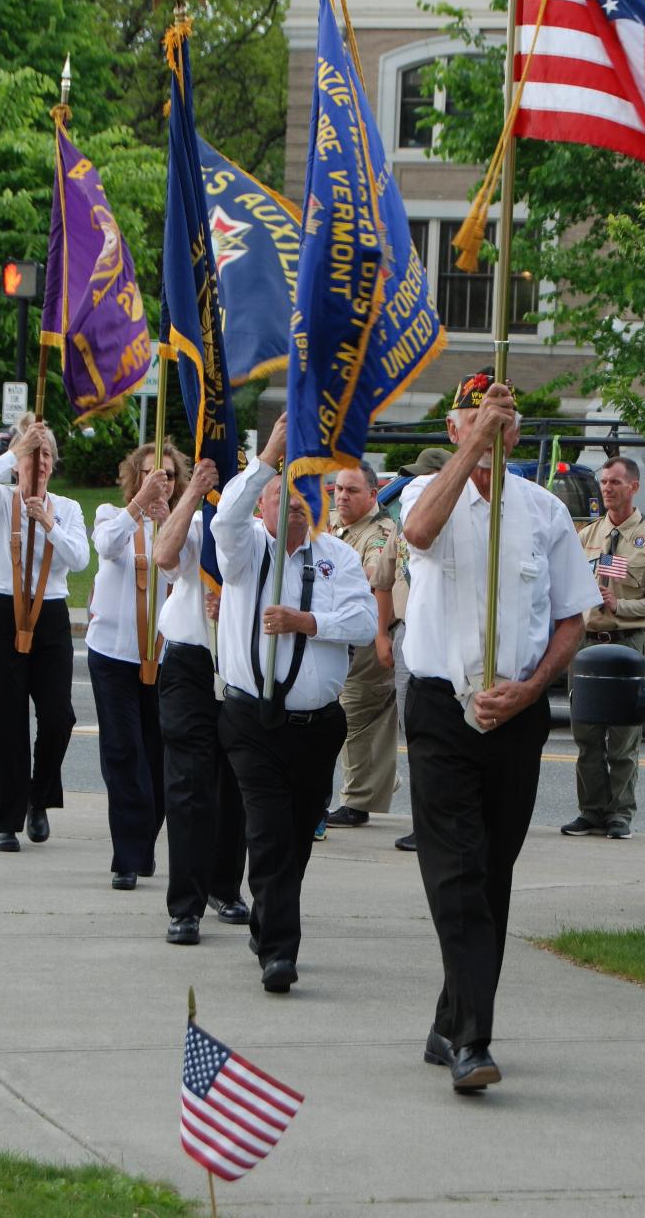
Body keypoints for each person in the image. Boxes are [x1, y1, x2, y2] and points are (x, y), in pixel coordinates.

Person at [401, 372, 601, 1092]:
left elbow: (573, 617)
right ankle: (471, 1043)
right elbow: (418, 533)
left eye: (504, 417)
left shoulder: (545, 512)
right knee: (455, 871)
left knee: (490, 876)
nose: (491, 427)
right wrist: (472, 449)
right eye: (476, 415)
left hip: (515, 716)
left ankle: (449, 1016)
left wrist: (529, 689)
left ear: (517, 433)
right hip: (439, 710)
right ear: (455, 428)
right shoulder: (427, 495)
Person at [210, 414, 376, 993]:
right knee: (270, 831)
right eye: (284, 496)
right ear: (264, 506)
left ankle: (267, 917)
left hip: (318, 727)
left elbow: (363, 621)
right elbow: (226, 520)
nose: (296, 505)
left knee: (298, 834)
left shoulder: (339, 557)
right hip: (251, 720)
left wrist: (307, 621)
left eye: (305, 496)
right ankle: (280, 953)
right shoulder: (247, 550)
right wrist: (266, 461)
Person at [0, 413, 89, 851]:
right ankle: (6, 820)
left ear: (53, 466)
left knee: (60, 717)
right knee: (8, 721)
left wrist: (47, 523)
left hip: (51, 615)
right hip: (3, 612)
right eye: (31, 458)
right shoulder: (0, 501)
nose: (38, 465)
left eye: (45, 459)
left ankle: (37, 799)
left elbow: (78, 559)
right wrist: (17, 448)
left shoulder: (68, 510)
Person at [152, 457, 248, 945]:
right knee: (189, 785)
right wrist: (193, 493)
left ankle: (225, 887)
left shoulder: (255, 529)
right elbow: (164, 558)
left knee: (235, 783)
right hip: (190, 662)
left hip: (239, 664)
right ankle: (185, 906)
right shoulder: (194, 520)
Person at [86, 440, 189, 890]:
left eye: (166, 475)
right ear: (137, 476)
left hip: (163, 658)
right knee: (123, 750)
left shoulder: (185, 526)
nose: (158, 482)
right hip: (113, 655)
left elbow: (183, 576)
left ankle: (143, 841)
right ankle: (127, 857)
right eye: (150, 474)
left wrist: (169, 520)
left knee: (160, 756)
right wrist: (138, 507)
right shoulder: (112, 515)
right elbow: (107, 548)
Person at [562, 455, 645, 840]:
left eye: (615, 483)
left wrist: (620, 606)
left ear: (634, 487)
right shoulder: (586, 537)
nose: (607, 488)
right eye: (604, 482)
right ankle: (591, 811)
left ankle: (619, 814)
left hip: (627, 644)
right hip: (589, 645)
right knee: (586, 735)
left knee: (623, 738)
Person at [371, 448, 451, 852]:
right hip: (407, 634)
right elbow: (383, 580)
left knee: (450, 735)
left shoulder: (460, 528)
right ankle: (424, 824)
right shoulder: (403, 528)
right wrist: (383, 634)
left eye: (424, 480)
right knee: (415, 731)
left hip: (449, 635)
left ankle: (446, 822)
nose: (414, 488)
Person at [325, 461, 398, 829]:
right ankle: (369, 786)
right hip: (337, 634)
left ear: (372, 494)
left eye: (352, 490)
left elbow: (373, 577)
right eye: (338, 489)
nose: (342, 496)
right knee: (348, 715)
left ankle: (357, 801)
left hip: (367, 636)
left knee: (356, 716)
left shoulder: (379, 532)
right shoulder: (337, 528)